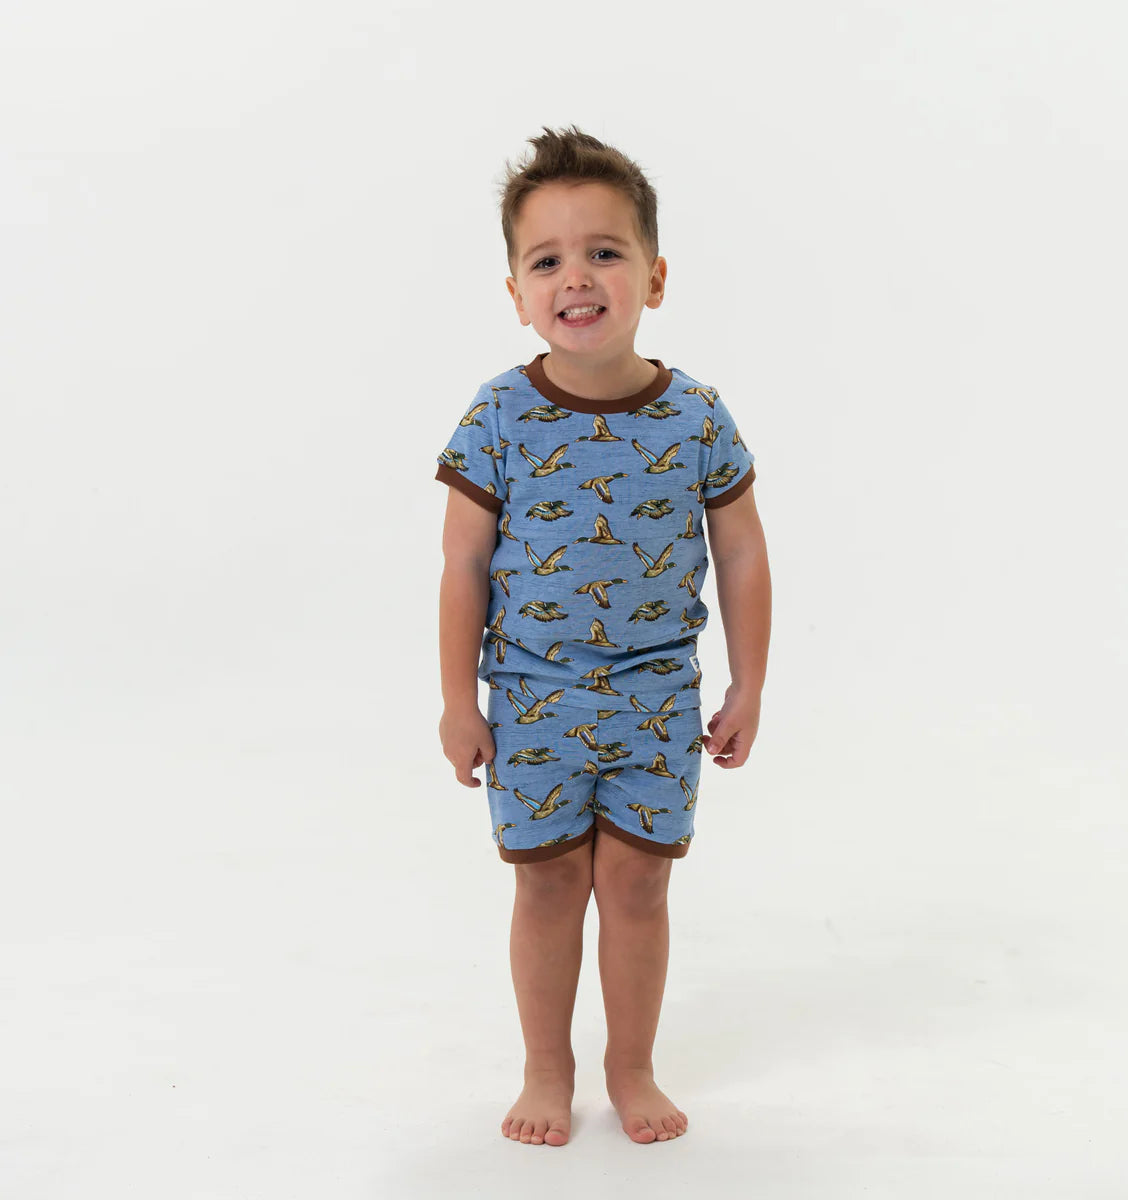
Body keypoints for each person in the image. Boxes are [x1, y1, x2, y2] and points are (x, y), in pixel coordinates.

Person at [434, 125, 772, 1148]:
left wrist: (748, 685)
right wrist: (457, 701)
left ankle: (632, 1064)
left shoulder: (697, 417)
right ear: (517, 293)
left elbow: (742, 553)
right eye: (547, 261)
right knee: (545, 883)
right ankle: (548, 1065)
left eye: (605, 252)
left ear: (654, 277)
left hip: (657, 701)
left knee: (639, 883)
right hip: (532, 700)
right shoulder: (498, 416)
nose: (576, 277)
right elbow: (463, 566)